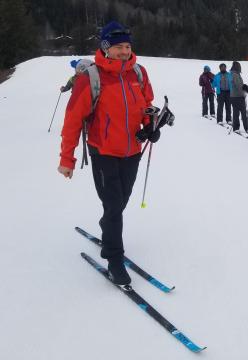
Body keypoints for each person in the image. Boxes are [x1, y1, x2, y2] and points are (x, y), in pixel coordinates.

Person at [57, 21, 158, 285]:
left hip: (132, 150)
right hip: (103, 151)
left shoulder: (138, 73)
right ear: (105, 48)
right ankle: (114, 258)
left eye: (127, 46)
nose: (125, 51)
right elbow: (72, 119)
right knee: (114, 205)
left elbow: (147, 105)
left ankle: (108, 228)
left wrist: (151, 127)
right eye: (118, 47)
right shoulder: (92, 77)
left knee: (120, 202)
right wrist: (67, 158)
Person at [229, 61, 248, 135]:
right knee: (243, 112)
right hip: (238, 96)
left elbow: (239, 85)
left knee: (237, 112)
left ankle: (236, 127)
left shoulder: (234, 74)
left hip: (235, 96)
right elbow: (238, 85)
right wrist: (244, 91)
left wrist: (244, 87)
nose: (240, 67)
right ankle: (246, 128)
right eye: (239, 66)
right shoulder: (235, 74)